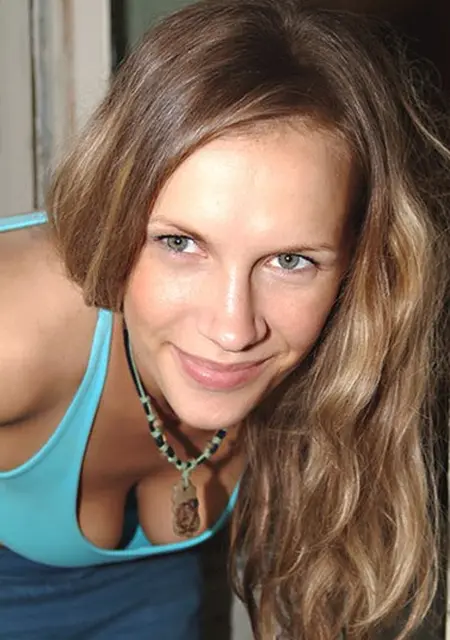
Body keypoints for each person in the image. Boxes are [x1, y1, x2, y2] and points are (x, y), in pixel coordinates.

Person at [0, 0, 448, 638]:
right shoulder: (15, 331)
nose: (234, 332)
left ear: (358, 260)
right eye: (180, 242)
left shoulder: (353, 346)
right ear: (113, 211)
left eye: (290, 260)